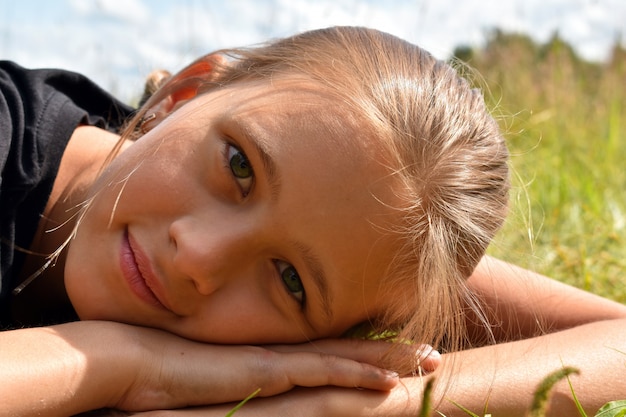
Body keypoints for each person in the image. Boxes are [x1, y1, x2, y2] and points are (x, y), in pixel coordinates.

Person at [0, 26, 624, 417]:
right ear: (181, 95)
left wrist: (355, 404)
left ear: (343, 334)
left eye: (290, 280)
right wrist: (115, 362)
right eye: (239, 166)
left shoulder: (364, 253)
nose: (198, 258)